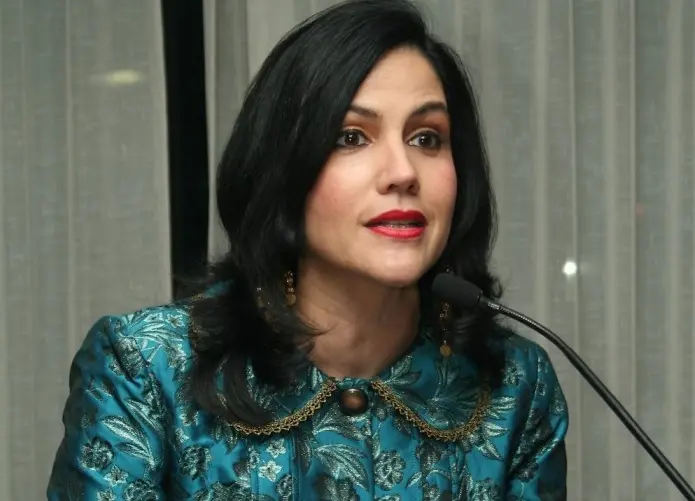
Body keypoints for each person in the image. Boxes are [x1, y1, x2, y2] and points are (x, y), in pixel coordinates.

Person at [47, 0, 569, 499]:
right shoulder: (147, 368)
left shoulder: (515, 385)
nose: (403, 172)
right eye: (352, 137)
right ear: (283, 170)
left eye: (427, 138)